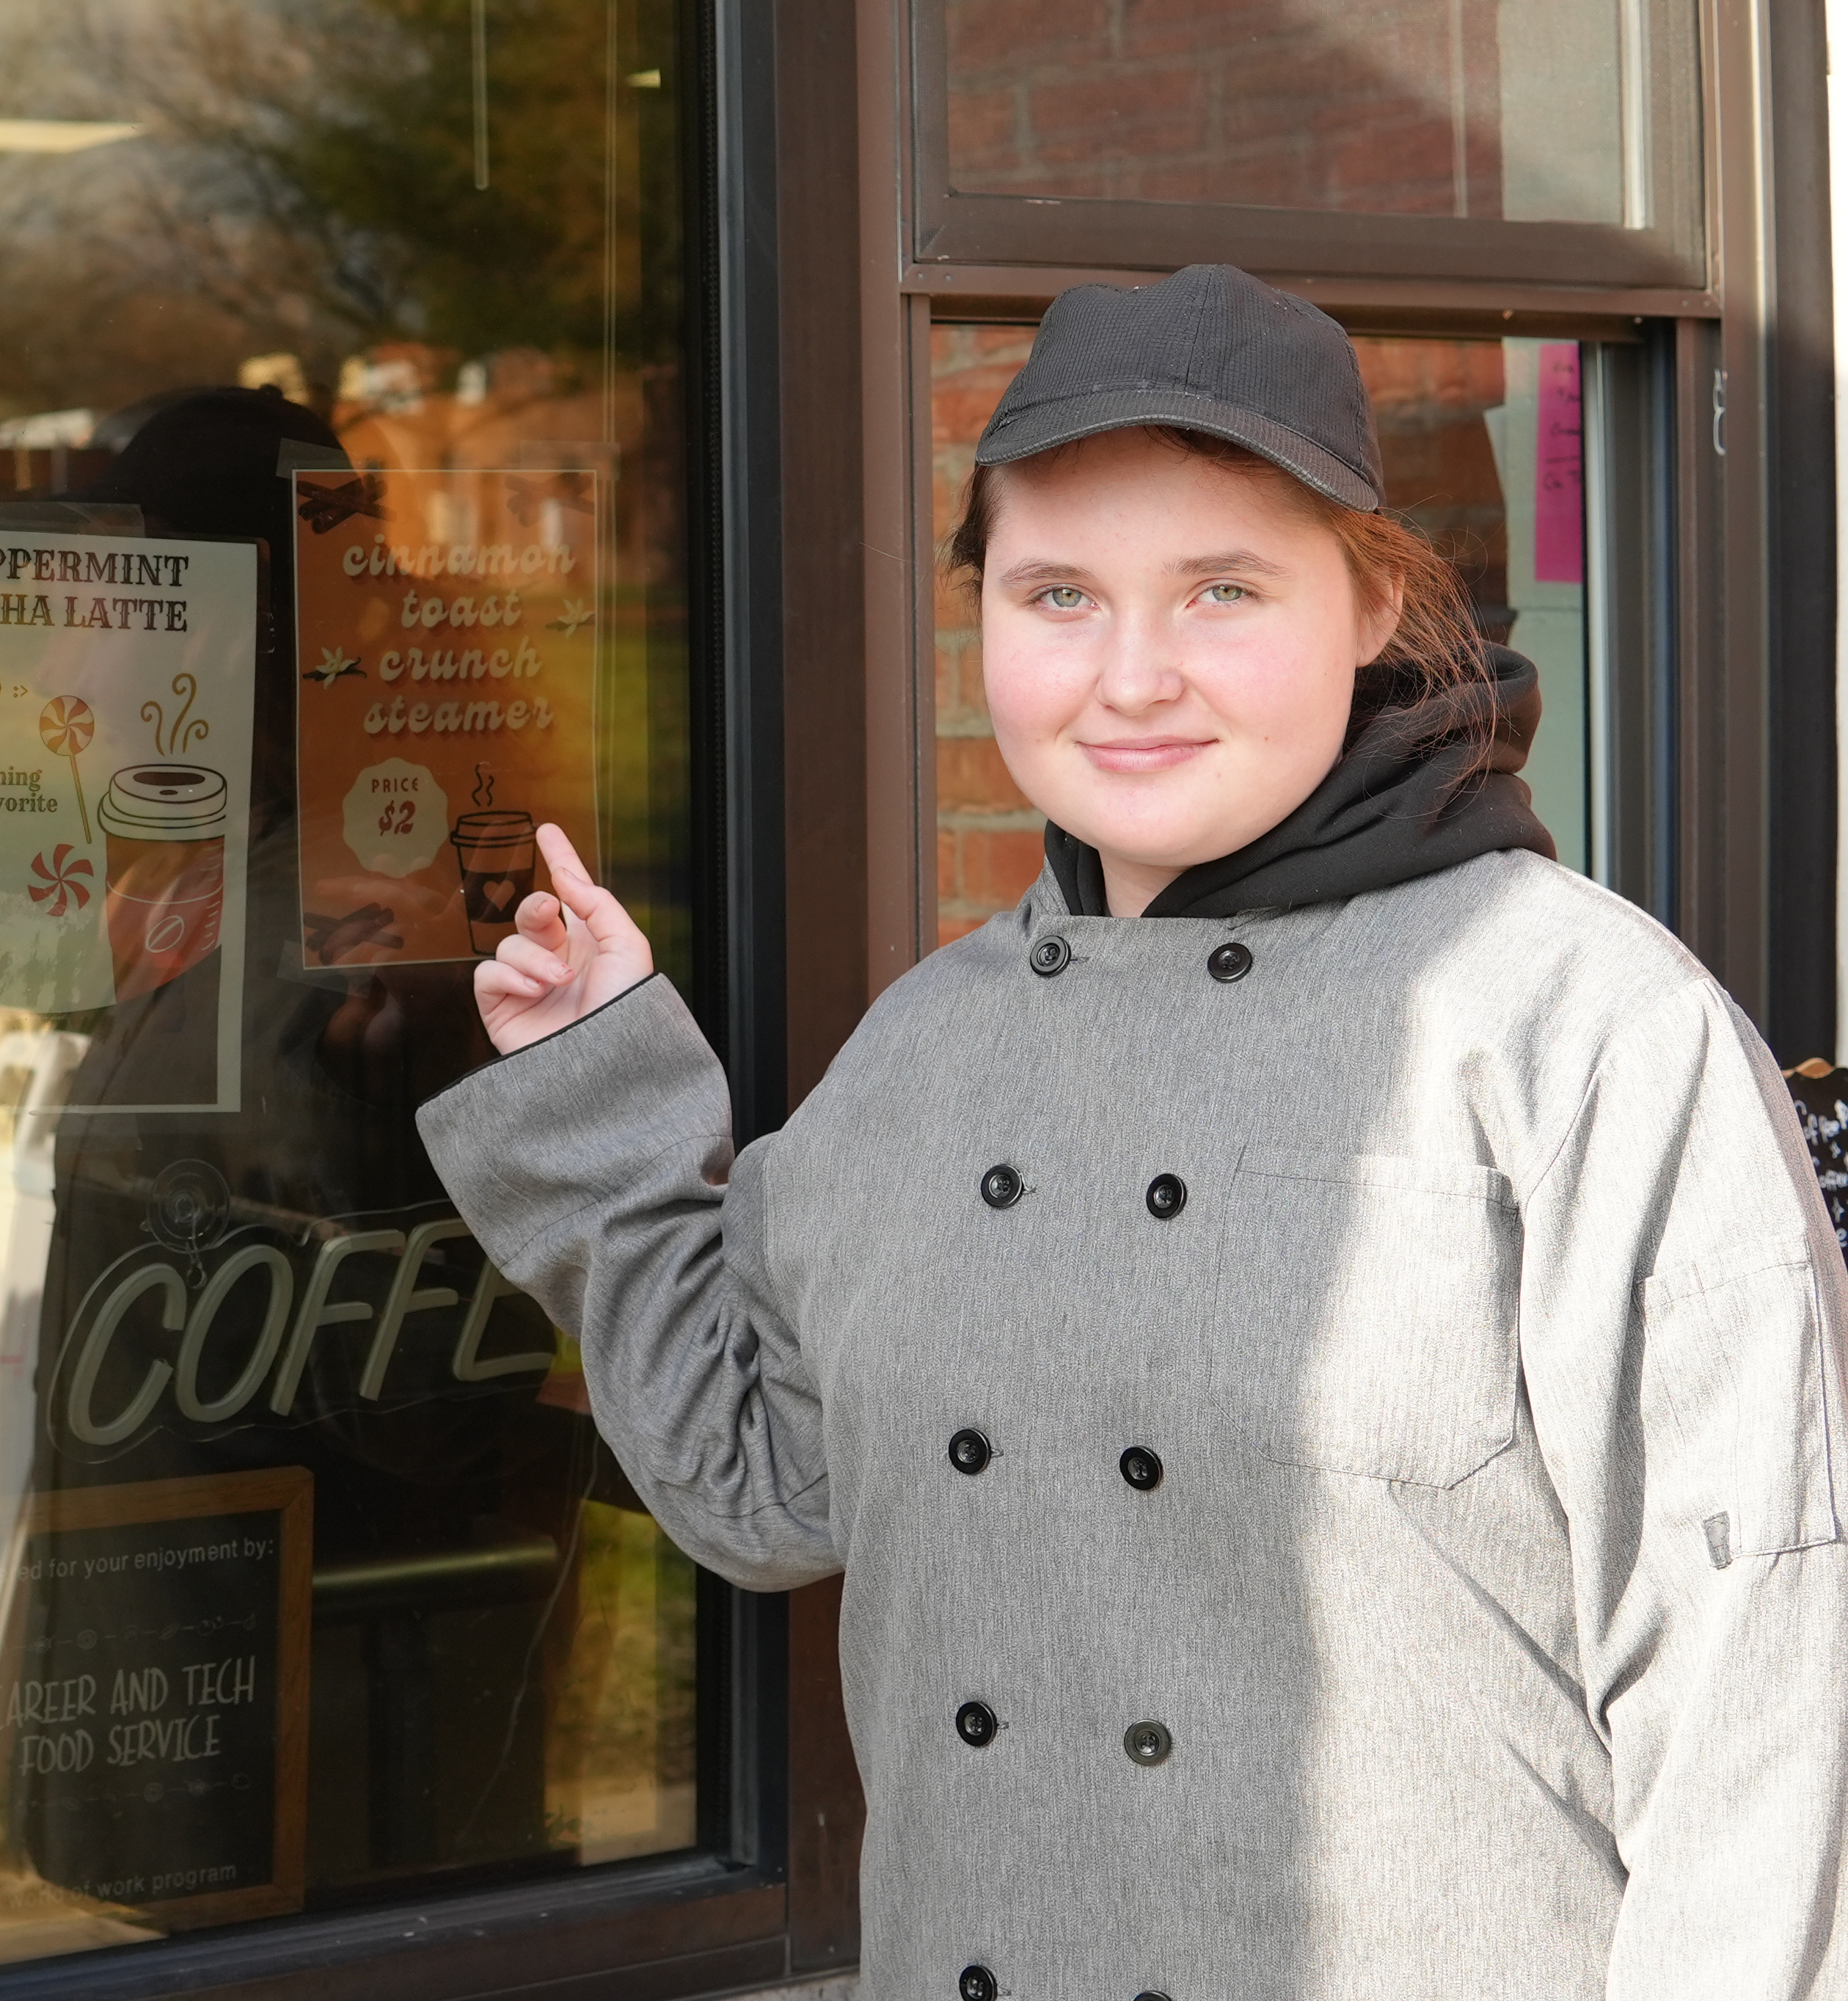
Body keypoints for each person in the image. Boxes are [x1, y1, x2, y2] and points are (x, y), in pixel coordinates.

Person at [418, 265, 1848, 1997]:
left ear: (1374, 606)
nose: (1133, 676)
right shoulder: (928, 1050)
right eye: (1060, 596)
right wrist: (601, 1107)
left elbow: (1764, 1682)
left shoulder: (1584, 1030)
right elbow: (762, 1483)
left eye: (1222, 590)